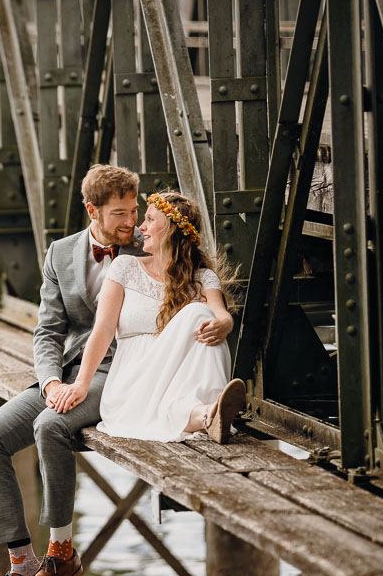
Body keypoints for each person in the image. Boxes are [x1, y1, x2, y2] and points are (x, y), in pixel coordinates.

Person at [0, 164, 143, 576]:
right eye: (120, 213)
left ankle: (61, 553)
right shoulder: (60, 253)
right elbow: (48, 331)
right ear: (93, 210)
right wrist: (50, 381)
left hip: (122, 371)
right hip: (66, 372)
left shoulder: (152, 247)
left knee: (50, 425)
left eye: (135, 209)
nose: (132, 221)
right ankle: (22, 562)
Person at [46, 190, 245, 445]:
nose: (141, 227)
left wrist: (225, 323)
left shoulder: (202, 277)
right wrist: (81, 385)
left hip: (176, 381)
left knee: (204, 317)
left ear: (172, 228)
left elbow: (220, 313)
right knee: (197, 312)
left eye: (150, 219)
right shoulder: (125, 267)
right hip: (132, 384)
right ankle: (210, 411)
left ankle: (208, 414)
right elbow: (103, 330)